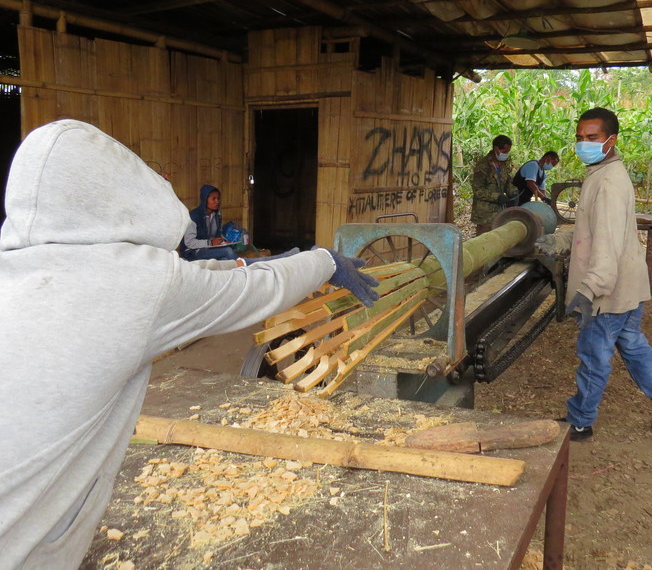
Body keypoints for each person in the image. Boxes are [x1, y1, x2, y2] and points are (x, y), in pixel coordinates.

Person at [0, 119, 379, 569]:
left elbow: (192, 282)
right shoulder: (132, 284)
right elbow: (251, 293)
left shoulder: (20, 267)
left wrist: (251, 262)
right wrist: (324, 260)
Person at [561, 107, 652, 441]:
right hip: (629, 286)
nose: (583, 143)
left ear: (611, 140)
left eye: (592, 138)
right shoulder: (606, 174)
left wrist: (589, 291)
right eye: (579, 137)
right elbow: (597, 229)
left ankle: (580, 421)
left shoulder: (608, 183)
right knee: (635, 348)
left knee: (594, 356)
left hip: (608, 292)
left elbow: (606, 242)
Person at [181, 185, 297, 264]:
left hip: (207, 249)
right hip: (192, 253)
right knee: (227, 252)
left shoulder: (216, 215)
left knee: (229, 259)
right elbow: (189, 243)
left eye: (218, 198)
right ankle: (273, 260)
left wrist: (222, 240)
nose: (217, 201)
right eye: (214, 199)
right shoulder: (194, 216)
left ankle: (280, 258)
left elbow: (215, 235)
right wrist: (210, 242)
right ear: (205, 200)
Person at [470, 134, 516, 236]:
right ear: (496, 149)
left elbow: (507, 181)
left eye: (508, 152)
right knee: (484, 243)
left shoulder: (503, 164)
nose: (506, 154)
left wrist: (513, 192)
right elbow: (478, 190)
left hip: (499, 213)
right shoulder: (483, 166)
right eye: (504, 152)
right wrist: (497, 197)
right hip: (485, 215)